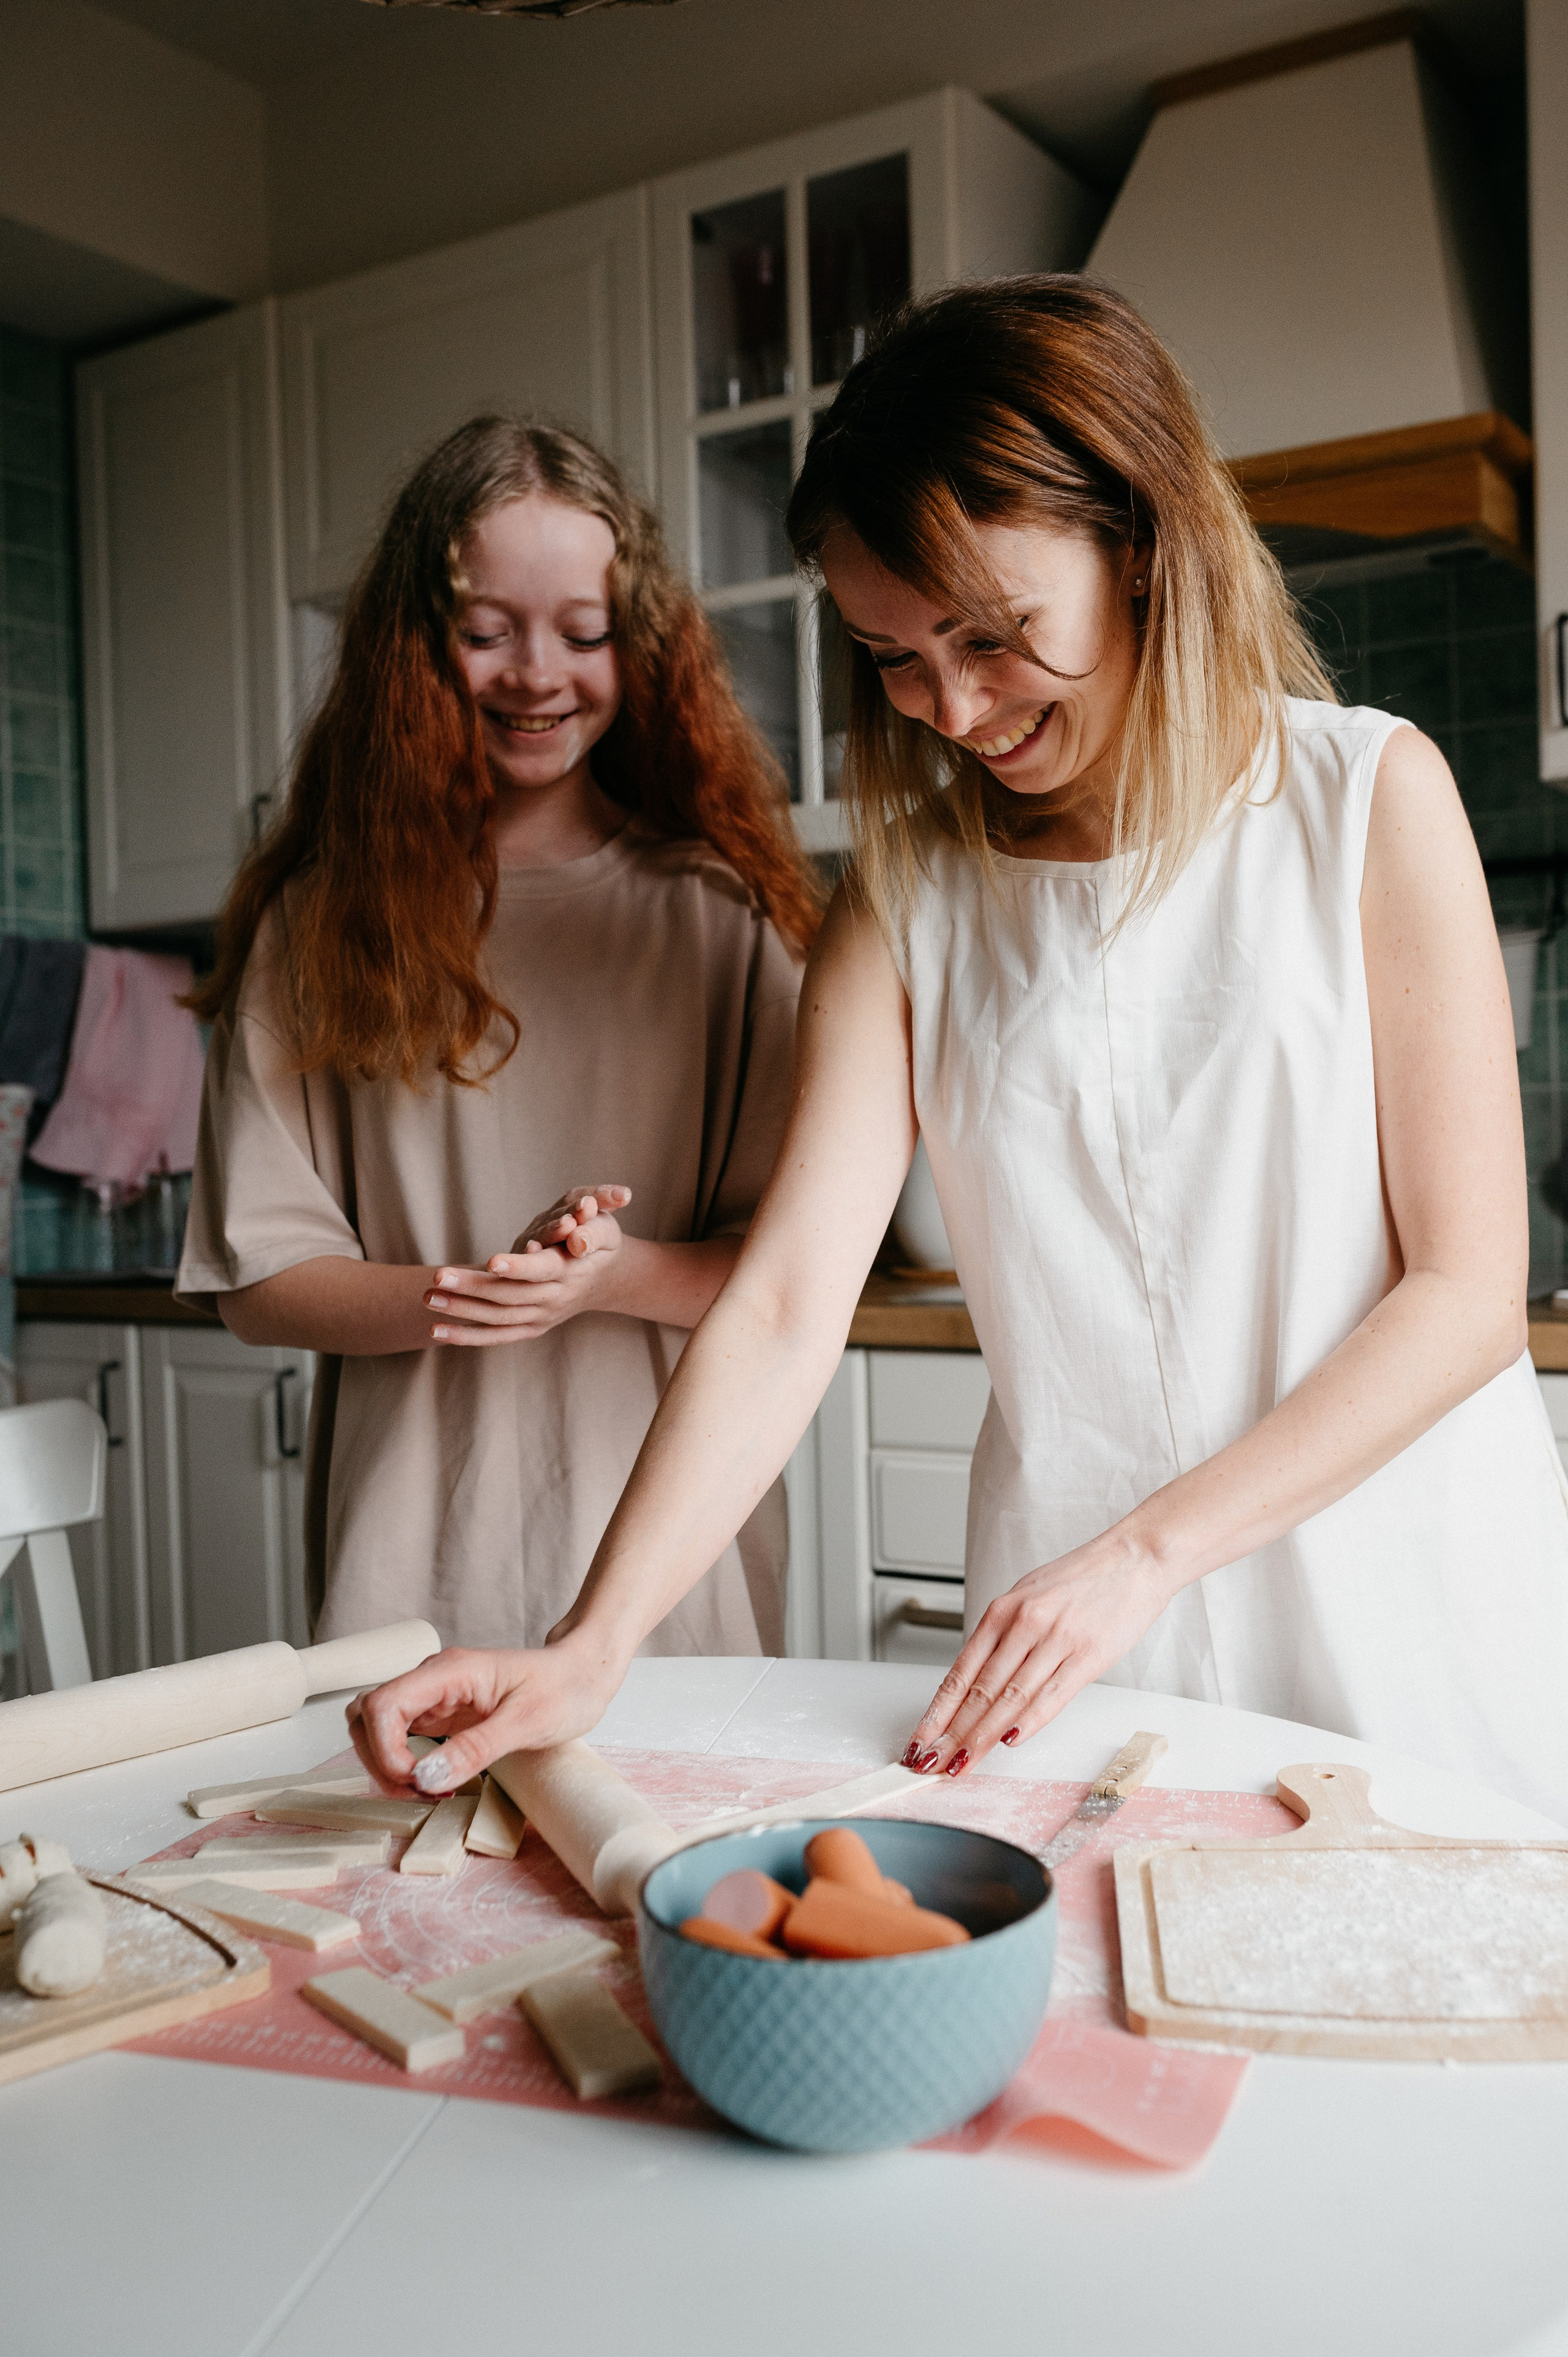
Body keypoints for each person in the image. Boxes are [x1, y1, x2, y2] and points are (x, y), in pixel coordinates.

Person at [351, 281, 1568, 1825]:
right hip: (1066, 1655)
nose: (956, 706)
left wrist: (1142, 1553)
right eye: (896, 657)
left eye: (993, 636)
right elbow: (788, 1300)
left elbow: (1464, 1295)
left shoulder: (1365, 799)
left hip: (1394, 1614)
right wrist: (593, 1645)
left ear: (1142, 543)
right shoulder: (907, 896)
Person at [178, 416, 821, 1656]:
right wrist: (477, 1293)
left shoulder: (719, 917)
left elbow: (790, 1268)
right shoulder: (322, 922)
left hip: (674, 1581)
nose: (537, 674)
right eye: (485, 633)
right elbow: (258, 1284)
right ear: (412, 651)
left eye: (582, 633)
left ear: (637, 647)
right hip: (414, 1582)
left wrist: (607, 1274)